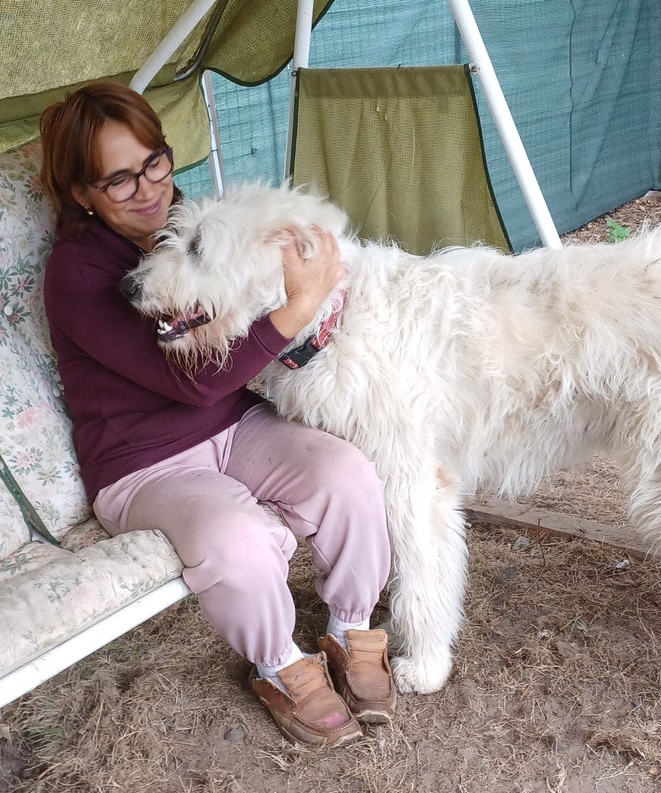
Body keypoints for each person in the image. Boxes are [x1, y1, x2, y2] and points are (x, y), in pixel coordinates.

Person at [38, 81, 395, 748]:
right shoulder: (79, 275)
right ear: (82, 194)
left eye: (155, 162)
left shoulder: (192, 225)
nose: (148, 189)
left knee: (347, 473)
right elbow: (192, 384)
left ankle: (351, 624)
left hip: (235, 428)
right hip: (143, 466)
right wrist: (295, 308)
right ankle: (279, 664)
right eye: (118, 181)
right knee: (236, 538)